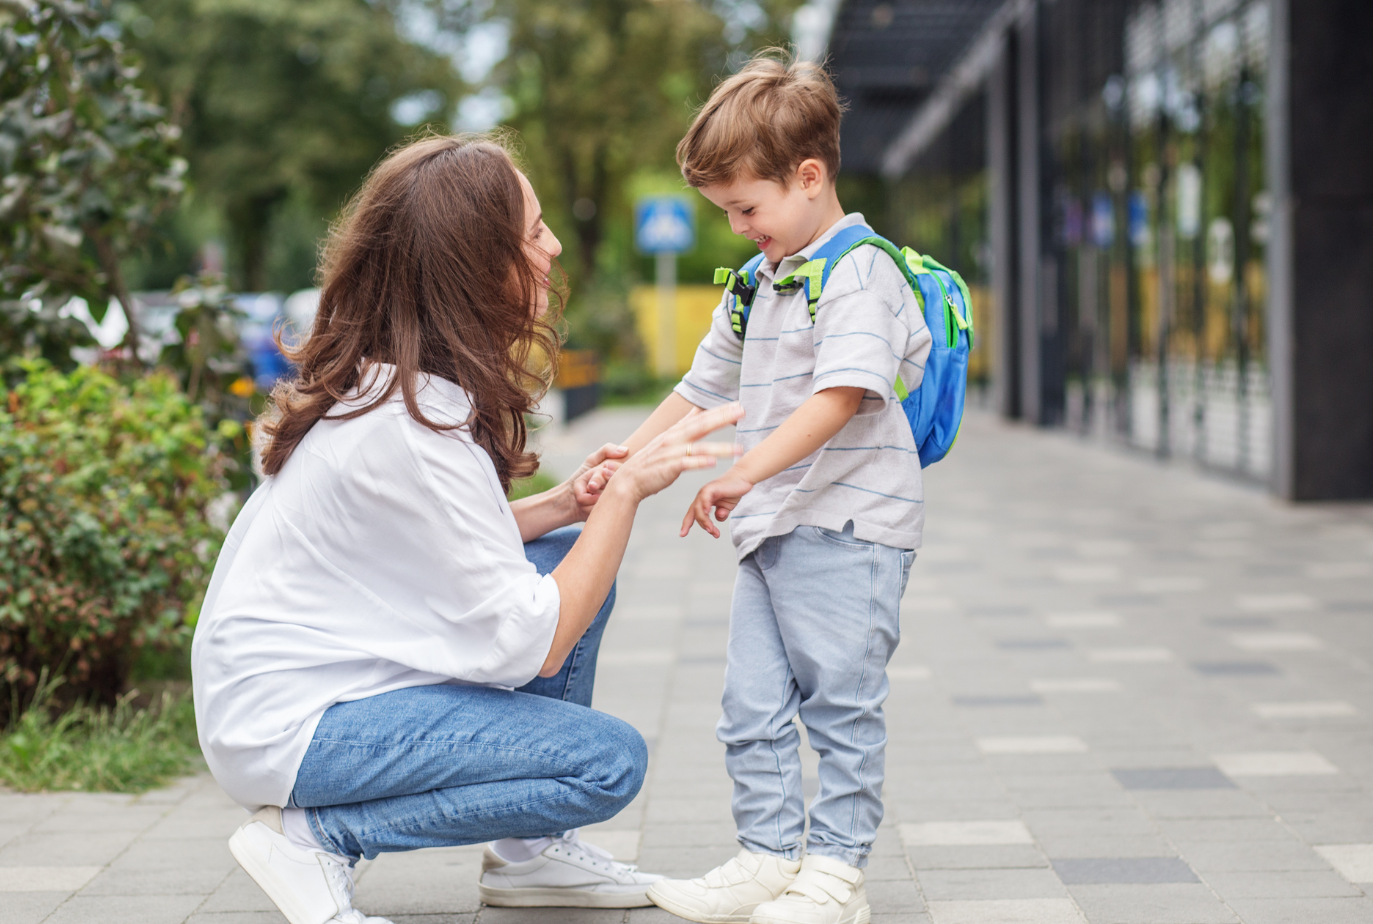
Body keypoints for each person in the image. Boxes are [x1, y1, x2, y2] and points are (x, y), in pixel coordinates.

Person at [190, 134, 743, 924]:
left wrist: (563, 507)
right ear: (477, 265)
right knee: (605, 763)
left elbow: (443, 545)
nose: (553, 246)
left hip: (303, 691)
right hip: (292, 728)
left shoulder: (398, 389)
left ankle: (529, 856)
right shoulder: (408, 429)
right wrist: (622, 494)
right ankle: (317, 836)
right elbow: (535, 643)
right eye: (535, 231)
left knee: (562, 552)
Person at [623, 53, 933, 924]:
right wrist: (622, 461)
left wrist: (743, 472)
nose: (737, 228)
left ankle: (835, 873)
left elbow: (841, 395)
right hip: (772, 528)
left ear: (808, 176)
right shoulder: (760, 281)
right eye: (725, 212)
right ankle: (766, 857)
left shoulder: (859, 272)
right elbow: (701, 385)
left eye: (745, 209)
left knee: (841, 705)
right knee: (748, 706)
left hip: (851, 526)